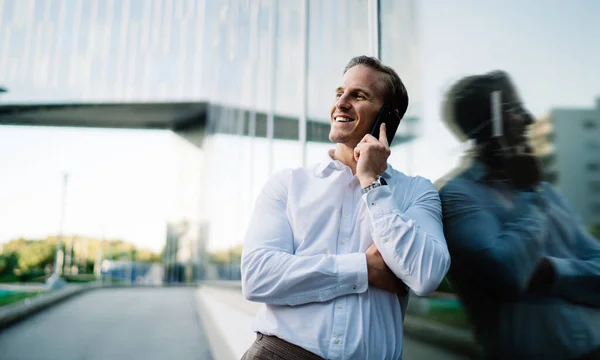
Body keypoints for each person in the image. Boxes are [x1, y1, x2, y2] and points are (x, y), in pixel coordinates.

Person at [240, 56, 450, 360]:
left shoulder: (416, 191)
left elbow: (426, 275)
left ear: (387, 118)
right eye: (340, 93)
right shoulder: (287, 185)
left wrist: (371, 182)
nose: (342, 103)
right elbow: (258, 277)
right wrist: (363, 268)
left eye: (359, 95)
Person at [438, 70, 600, 360]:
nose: (529, 119)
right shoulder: (459, 196)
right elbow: (508, 273)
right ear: (489, 126)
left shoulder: (547, 194)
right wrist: (527, 195)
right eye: (515, 109)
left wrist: (552, 271)